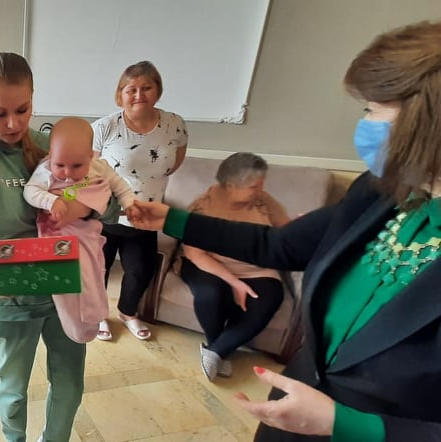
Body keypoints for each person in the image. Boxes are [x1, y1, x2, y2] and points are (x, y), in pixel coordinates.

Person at [128, 20, 441, 441]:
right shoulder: (380, 193)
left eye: (372, 110)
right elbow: (275, 244)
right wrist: (171, 219)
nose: (364, 123)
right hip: (294, 406)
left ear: (424, 122)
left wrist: (345, 425)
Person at [0, 52, 101, 442]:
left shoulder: (53, 146)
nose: (13, 123)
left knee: (70, 381)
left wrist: (83, 204)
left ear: (33, 100)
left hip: (66, 286)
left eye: (23, 110)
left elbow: (102, 195)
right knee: (13, 389)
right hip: (11, 292)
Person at [92, 61, 188, 341]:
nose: (138, 95)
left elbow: (174, 163)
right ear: (120, 94)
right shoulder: (105, 127)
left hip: (146, 216)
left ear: (158, 90)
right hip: (106, 216)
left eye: (146, 88)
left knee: (140, 270)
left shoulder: (175, 124)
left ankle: (127, 313)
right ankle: (97, 315)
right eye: (131, 89)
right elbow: (88, 172)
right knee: (97, 270)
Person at [23, 117, 138, 343]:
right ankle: (74, 322)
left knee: (93, 273)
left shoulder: (99, 167)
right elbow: (30, 191)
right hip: (57, 234)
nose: (67, 173)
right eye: (60, 165)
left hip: (87, 232)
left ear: (91, 155)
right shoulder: (45, 169)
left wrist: (130, 204)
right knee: (65, 281)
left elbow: (120, 187)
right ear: (51, 156)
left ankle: (94, 316)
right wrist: (50, 201)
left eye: (77, 166)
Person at [179, 153, 289, 381]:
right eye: (253, 187)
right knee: (211, 294)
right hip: (209, 264)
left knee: (270, 297)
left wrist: (302, 226)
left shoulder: (263, 200)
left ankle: (217, 352)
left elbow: (285, 229)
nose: (260, 190)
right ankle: (218, 347)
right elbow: (195, 254)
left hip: (255, 267)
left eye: (261, 184)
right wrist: (235, 282)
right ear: (230, 186)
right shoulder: (203, 208)